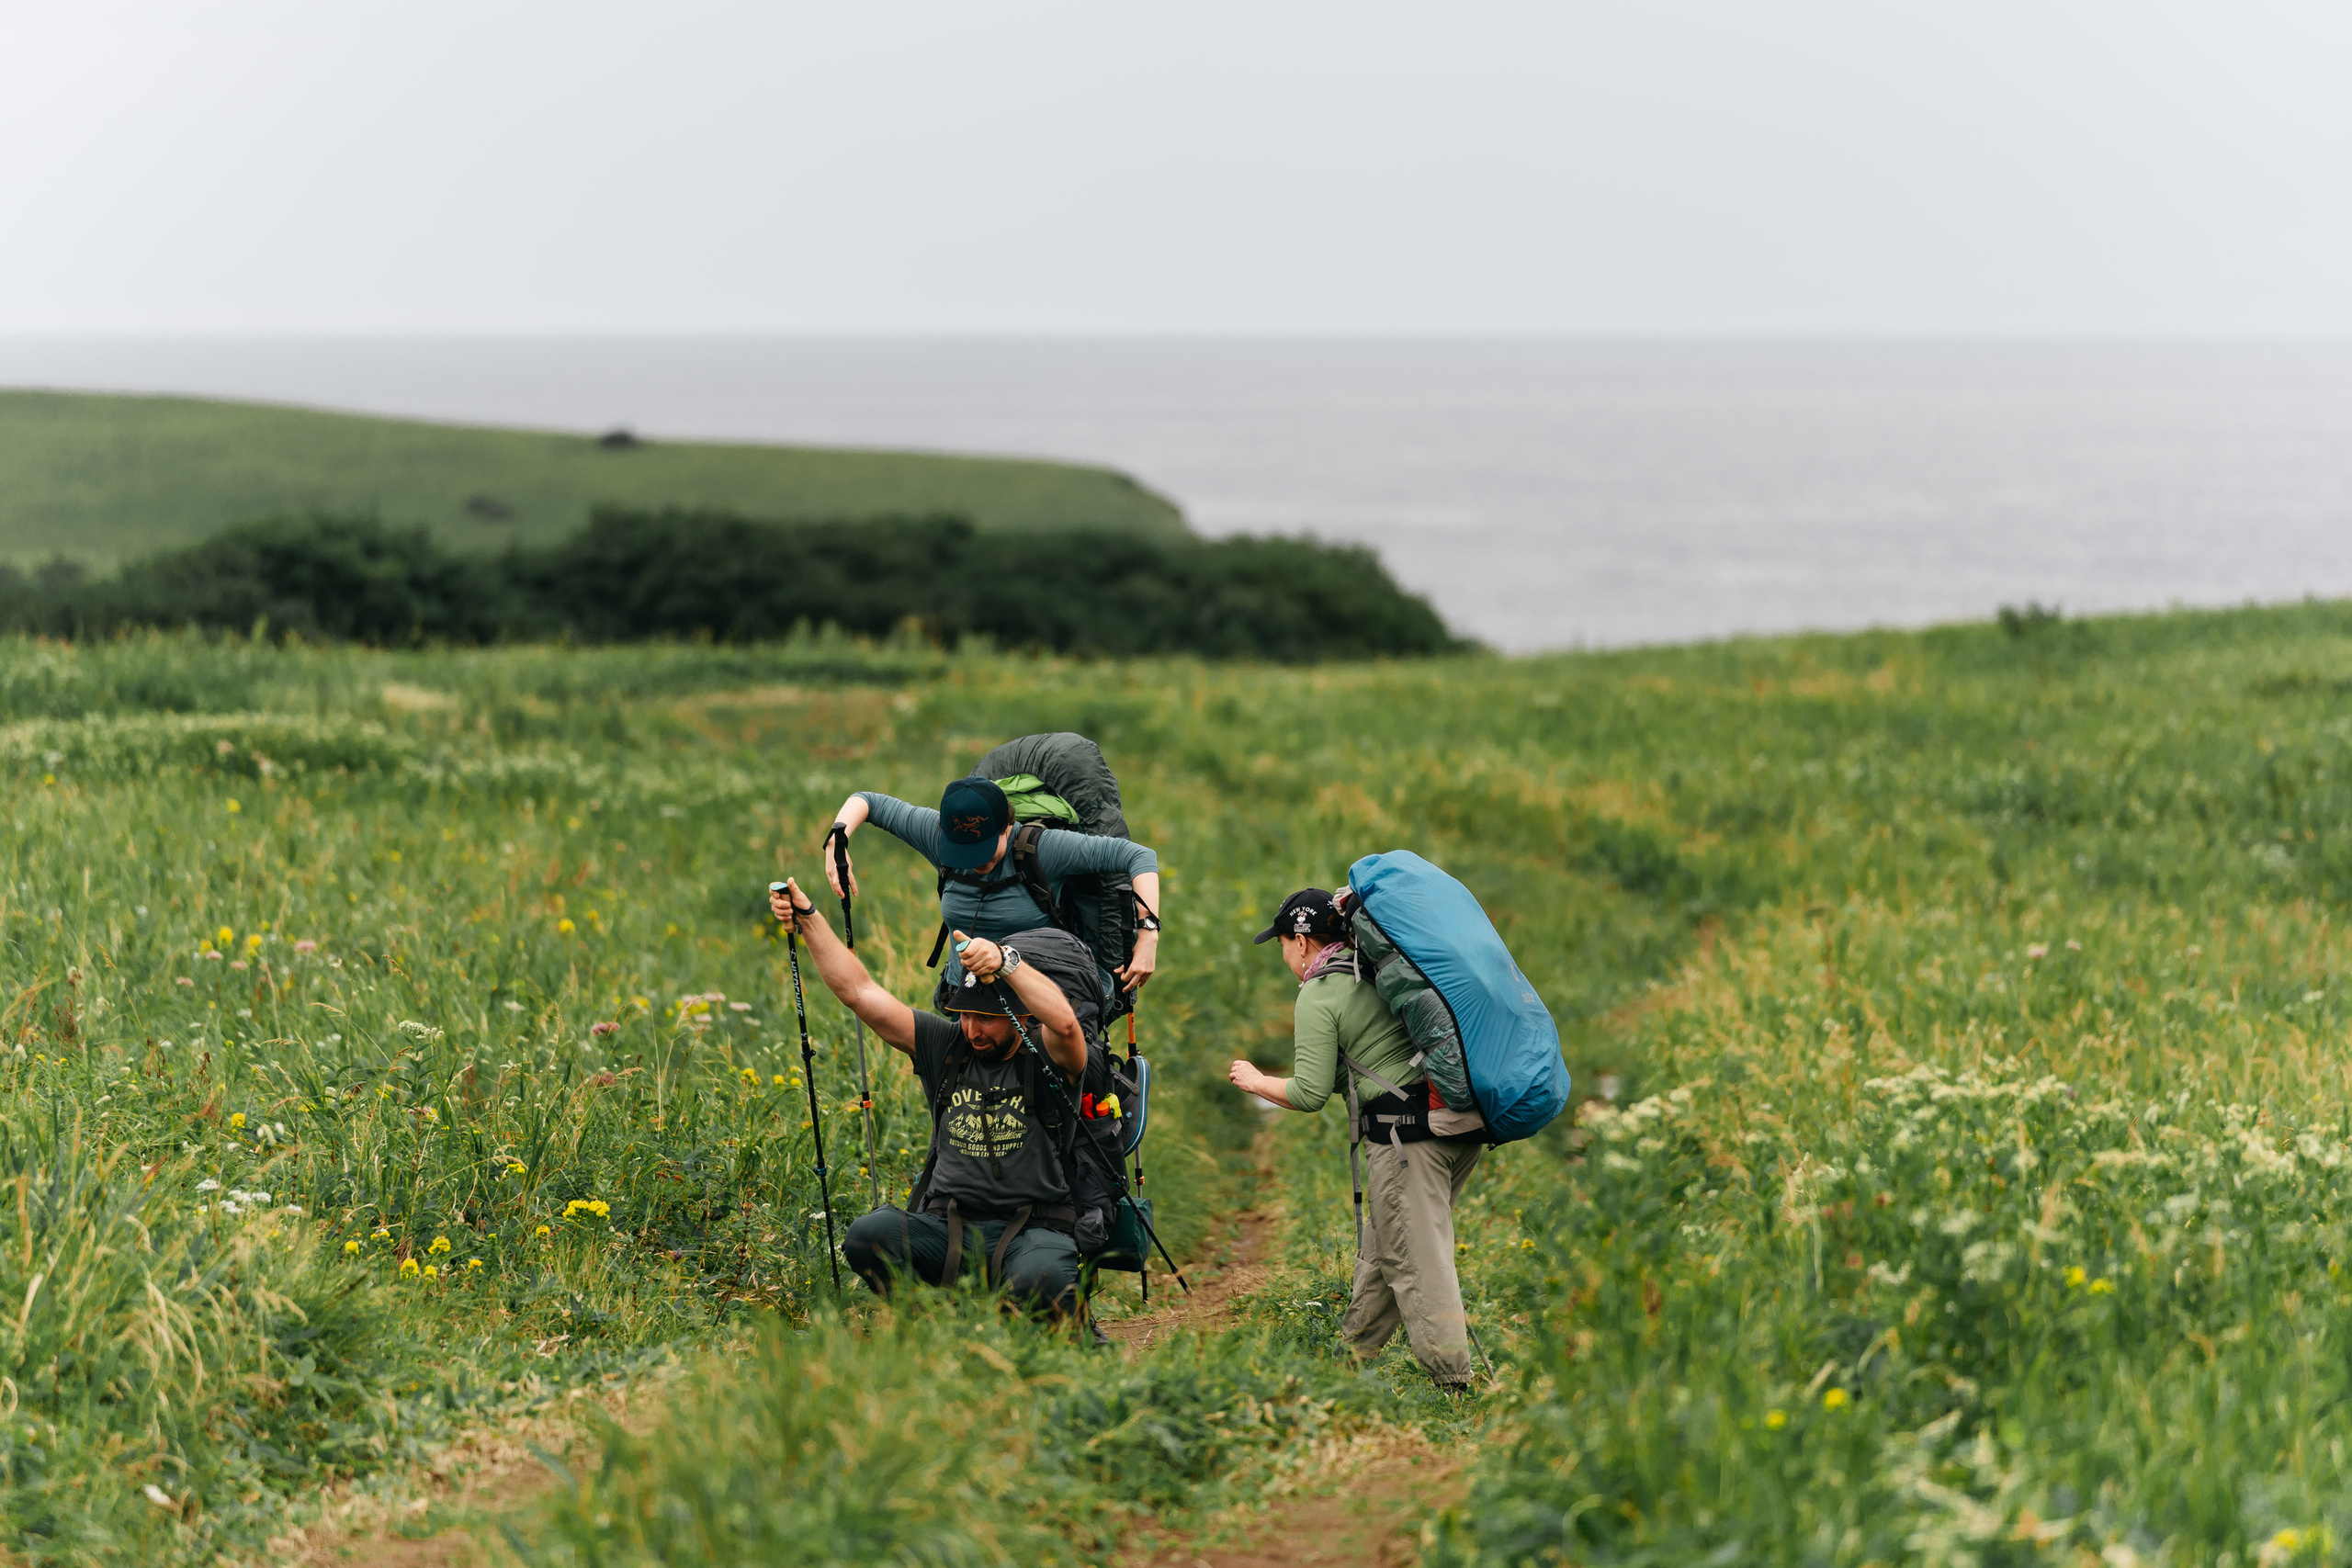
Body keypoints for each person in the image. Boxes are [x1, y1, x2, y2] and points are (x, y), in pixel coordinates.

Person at [768, 877, 1092, 1316]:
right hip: (948, 1227)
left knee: (1040, 1281)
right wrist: (809, 919)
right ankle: (929, 1325)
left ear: (1020, 1014)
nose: (973, 1030)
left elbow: (1069, 1026)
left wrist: (1007, 962)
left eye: (987, 1019)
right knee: (869, 1235)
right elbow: (859, 992)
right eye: (965, 1016)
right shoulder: (946, 1046)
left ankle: (1048, 1325)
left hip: (1034, 1229)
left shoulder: (1050, 1053)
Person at [1227, 888, 1485, 1389]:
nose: (1283, 956)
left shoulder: (1320, 992)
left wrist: (1256, 1081)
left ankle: (1453, 1386)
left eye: (1281, 943)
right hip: (1456, 1123)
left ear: (1301, 942)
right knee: (1393, 1241)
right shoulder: (1379, 967)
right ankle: (1352, 1358)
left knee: (1416, 1259)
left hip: (1407, 1138)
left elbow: (1308, 1092)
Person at [823, 778, 1163, 998]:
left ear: (1008, 826)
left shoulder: (1044, 849)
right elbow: (868, 800)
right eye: (963, 852)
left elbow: (1138, 856)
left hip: (1042, 997)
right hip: (968, 998)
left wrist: (1148, 933)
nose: (975, 862)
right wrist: (836, 839)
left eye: (984, 850)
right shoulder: (937, 834)